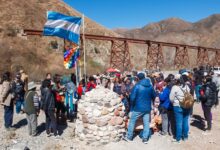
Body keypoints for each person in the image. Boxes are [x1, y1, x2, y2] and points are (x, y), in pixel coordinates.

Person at [123, 73, 156, 144]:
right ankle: (145, 138)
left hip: (138, 108)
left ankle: (129, 137)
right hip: (147, 108)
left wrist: (132, 105)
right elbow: (154, 96)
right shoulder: (150, 86)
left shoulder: (137, 86)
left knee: (132, 121)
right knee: (146, 123)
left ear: (138, 78)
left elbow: (132, 98)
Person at [169, 74, 191, 143]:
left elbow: (171, 98)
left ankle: (178, 138)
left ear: (176, 80)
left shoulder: (174, 87)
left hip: (177, 106)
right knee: (185, 122)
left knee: (179, 123)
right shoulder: (187, 87)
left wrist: (174, 103)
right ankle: (185, 137)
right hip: (186, 106)